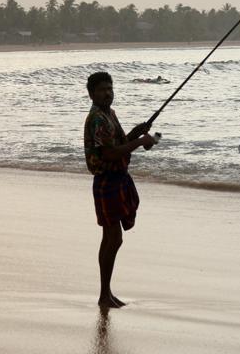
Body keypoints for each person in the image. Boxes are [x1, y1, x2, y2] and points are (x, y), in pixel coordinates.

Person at [84, 71, 156, 308]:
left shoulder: (109, 114)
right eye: (102, 89)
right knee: (113, 238)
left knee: (112, 238)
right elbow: (110, 153)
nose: (107, 93)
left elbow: (119, 143)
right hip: (107, 180)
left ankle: (106, 293)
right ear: (91, 93)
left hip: (117, 179)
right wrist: (140, 142)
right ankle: (104, 294)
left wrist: (137, 132)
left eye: (110, 88)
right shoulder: (97, 118)